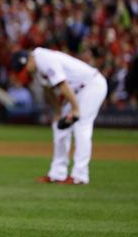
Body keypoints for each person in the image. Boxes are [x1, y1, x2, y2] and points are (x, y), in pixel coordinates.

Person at [10, 48, 107, 185]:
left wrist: (75, 110)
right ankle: (57, 174)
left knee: (81, 125)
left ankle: (80, 176)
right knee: (59, 126)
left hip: (92, 85)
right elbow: (48, 90)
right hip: (77, 91)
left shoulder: (44, 59)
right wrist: (58, 112)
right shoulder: (36, 67)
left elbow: (62, 84)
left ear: (29, 60)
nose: (26, 70)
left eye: (25, 67)